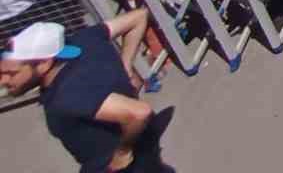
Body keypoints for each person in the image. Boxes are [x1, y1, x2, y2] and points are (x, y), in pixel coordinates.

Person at [1, 13, 176, 173]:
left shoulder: (67, 95)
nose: (3, 81)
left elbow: (139, 113)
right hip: (143, 147)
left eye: (11, 74)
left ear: (44, 63)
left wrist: (122, 152)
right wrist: (125, 67)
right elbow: (138, 17)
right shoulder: (85, 39)